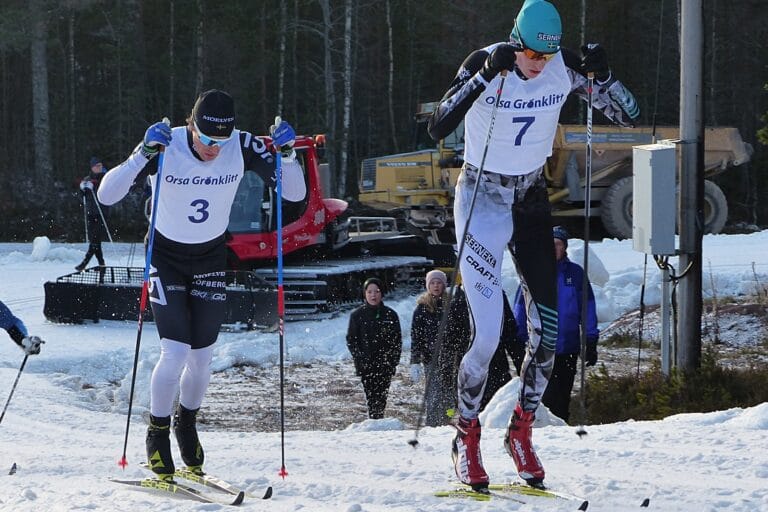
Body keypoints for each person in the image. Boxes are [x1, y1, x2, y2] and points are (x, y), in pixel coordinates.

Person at [427, 0, 639, 489]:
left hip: (529, 199)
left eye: (547, 56)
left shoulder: (563, 65)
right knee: (486, 336)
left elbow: (628, 113)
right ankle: (466, 434)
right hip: (481, 197)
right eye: (532, 55)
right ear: (515, 41)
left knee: (547, 331)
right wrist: (485, 75)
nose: (539, 65)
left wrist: (605, 77)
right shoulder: (486, 61)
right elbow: (439, 124)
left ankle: (520, 431)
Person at [97, 89, 307, 480]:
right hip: (165, 257)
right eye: (207, 139)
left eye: (221, 141)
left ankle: (186, 423)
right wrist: (142, 154)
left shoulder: (242, 145)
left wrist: (289, 155)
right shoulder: (168, 142)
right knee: (175, 352)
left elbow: (295, 193)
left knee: (202, 357)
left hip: (210, 256)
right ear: (191, 126)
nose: (214, 149)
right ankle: (157, 431)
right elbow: (106, 194)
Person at [513, 226, 599, 424]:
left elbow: (587, 307)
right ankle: (544, 427)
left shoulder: (575, 274)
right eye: (550, 244)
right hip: (541, 346)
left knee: (563, 394)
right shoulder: (534, 272)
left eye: (559, 244)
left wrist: (591, 339)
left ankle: (561, 429)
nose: (554, 248)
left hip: (568, 346)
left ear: (565, 247)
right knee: (545, 395)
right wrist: (519, 338)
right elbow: (521, 306)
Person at [345, 277, 402, 419]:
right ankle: (374, 420)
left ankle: (378, 419)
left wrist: (392, 360)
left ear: (382, 293)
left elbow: (397, 341)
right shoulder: (357, 315)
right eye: (369, 292)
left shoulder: (390, 315)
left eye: (376, 291)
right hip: (366, 365)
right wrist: (360, 358)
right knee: (371, 397)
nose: (373, 295)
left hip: (385, 364)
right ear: (365, 294)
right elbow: (352, 340)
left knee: (381, 397)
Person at [409, 269, 451, 383]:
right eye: (432, 283)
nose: (436, 286)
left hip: (450, 357)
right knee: (433, 389)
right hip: (430, 358)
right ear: (428, 286)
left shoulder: (451, 305)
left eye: (439, 282)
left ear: (444, 285)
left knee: (450, 389)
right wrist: (415, 361)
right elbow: (416, 336)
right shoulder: (421, 309)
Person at [76, 156, 109, 272]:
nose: (99, 168)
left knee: (95, 238)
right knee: (96, 241)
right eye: (97, 166)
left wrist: (94, 187)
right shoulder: (87, 179)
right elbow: (82, 197)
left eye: (100, 165)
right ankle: (102, 264)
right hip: (91, 213)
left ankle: (84, 263)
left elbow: (105, 191)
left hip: (101, 212)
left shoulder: (105, 177)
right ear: (92, 167)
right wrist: (82, 190)